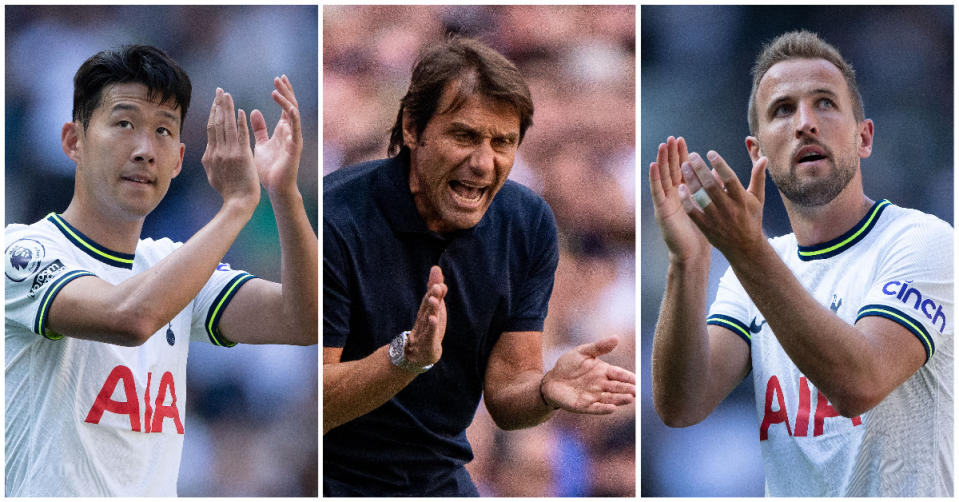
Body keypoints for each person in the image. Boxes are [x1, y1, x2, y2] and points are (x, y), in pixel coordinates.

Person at [323, 36, 636, 496]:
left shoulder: (526, 223)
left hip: (442, 478)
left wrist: (547, 390)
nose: (483, 163)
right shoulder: (338, 218)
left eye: (503, 142)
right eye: (464, 137)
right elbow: (321, 405)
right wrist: (404, 359)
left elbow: (508, 396)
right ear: (412, 128)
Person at [649, 30, 952, 496]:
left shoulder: (922, 241)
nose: (805, 123)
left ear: (864, 137)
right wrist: (686, 261)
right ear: (758, 153)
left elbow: (860, 383)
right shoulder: (753, 268)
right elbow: (682, 404)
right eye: (783, 109)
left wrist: (748, 251)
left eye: (826, 103)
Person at [4, 45, 317, 496]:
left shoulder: (172, 267)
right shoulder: (23, 252)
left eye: (164, 131)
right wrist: (236, 206)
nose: (145, 150)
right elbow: (127, 318)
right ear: (74, 140)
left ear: (178, 160)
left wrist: (283, 193)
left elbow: (302, 320)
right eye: (124, 123)